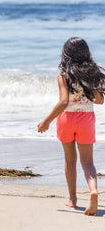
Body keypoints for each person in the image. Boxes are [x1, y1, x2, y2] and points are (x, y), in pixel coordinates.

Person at [38, 37, 105, 215]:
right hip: (86, 120)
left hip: (67, 120)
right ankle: (93, 191)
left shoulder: (63, 76)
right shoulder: (91, 75)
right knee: (88, 162)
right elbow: (99, 101)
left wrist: (46, 121)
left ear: (66, 55)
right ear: (86, 53)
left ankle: (73, 199)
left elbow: (63, 102)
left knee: (70, 160)